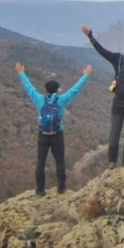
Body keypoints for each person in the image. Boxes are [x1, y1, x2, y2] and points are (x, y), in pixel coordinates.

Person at [14, 62, 92, 196]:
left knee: (41, 162)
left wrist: (21, 72)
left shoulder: (39, 99)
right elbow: (75, 90)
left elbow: (29, 88)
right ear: (57, 89)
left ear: (46, 90)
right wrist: (86, 75)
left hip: (43, 134)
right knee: (60, 160)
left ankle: (40, 190)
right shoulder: (61, 100)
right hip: (57, 133)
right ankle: (61, 188)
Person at [81, 26, 124, 168]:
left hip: (118, 100)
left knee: (115, 130)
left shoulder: (118, 59)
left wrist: (90, 36)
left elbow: (101, 51)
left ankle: (112, 162)